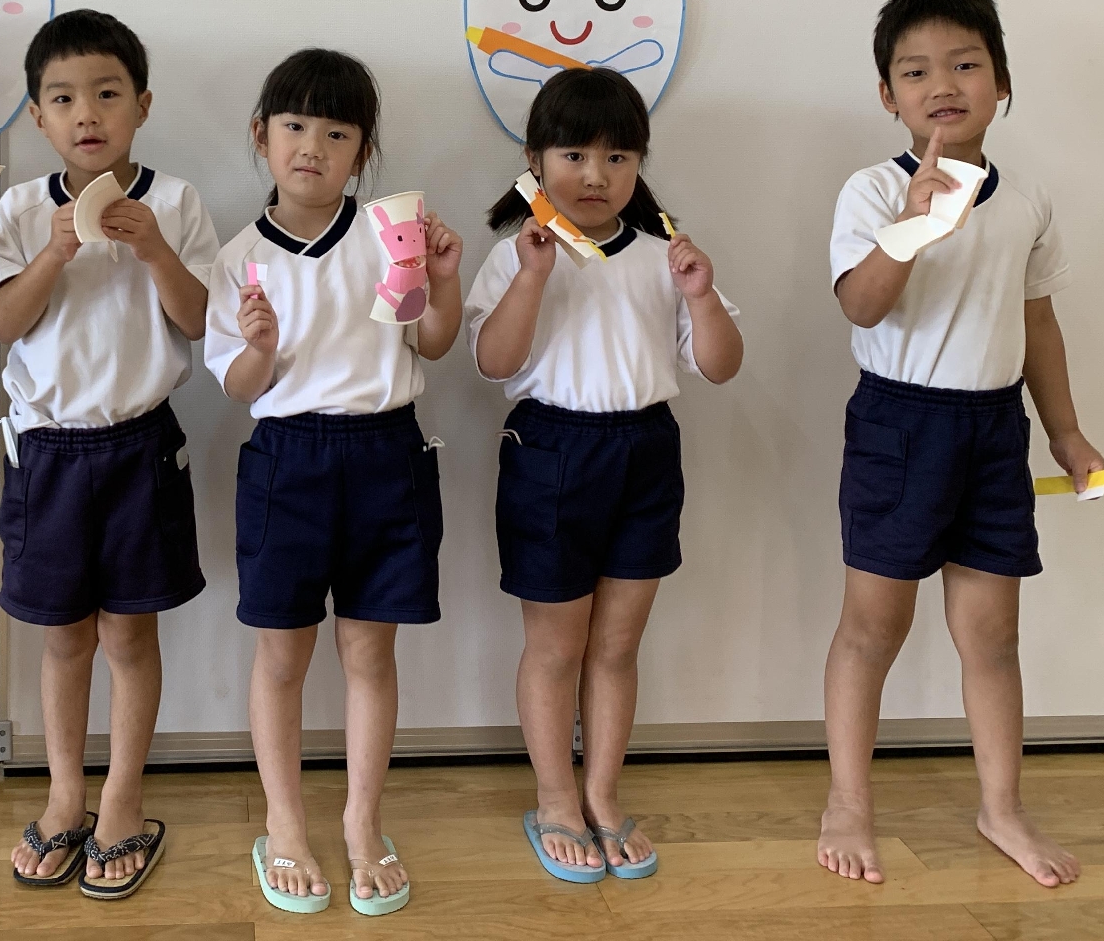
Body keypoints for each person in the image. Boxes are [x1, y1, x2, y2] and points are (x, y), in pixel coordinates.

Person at [817, 0, 1104, 889]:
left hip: (992, 428)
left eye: (966, 65)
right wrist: (909, 228)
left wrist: (1064, 432)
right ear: (888, 95)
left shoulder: (1027, 201)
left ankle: (1001, 807)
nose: (942, 84)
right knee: (873, 628)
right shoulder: (873, 190)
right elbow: (860, 305)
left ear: (1002, 82)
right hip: (898, 424)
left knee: (992, 636)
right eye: (915, 71)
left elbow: (1038, 322)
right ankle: (848, 803)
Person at [0, 10, 218, 899]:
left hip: (141, 445)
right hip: (47, 452)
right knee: (64, 634)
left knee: (130, 632)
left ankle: (122, 799)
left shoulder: (175, 202)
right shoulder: (20, 209)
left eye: (107, 93)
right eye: (64, 98)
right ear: (38, 117)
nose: (87, 113)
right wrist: (56, 251)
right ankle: (64, 793)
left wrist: (152, 248)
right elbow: (1, 322)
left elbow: (200, 321)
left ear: (141, 104)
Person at [465, 68, 742, 884]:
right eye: (574, 154)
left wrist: (701, 296)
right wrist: (531, 277)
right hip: (550, 449)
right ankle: (555, 798)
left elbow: (721, 365)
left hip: (646, 450)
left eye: (618, 157)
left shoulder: (664, 257)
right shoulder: (517, 255)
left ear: (640, 163)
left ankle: (603, 795)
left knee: (617, 646)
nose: (596, 174)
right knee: (555, 646)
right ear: (535, 159)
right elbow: (493, 362)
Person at [204, 48, 463, 917]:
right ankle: (283, 824)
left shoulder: (391, 235)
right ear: (261, 136)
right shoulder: (239, 256)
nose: (312, 146)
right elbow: (237, 387)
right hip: (286, 460)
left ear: (363, 151)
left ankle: (361, 822)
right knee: (281, 654)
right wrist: (260, 347)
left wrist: (444, 282)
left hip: (388, 453)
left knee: (370, 651)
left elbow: (431, 344)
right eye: (294, 126)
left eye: (337, 132)